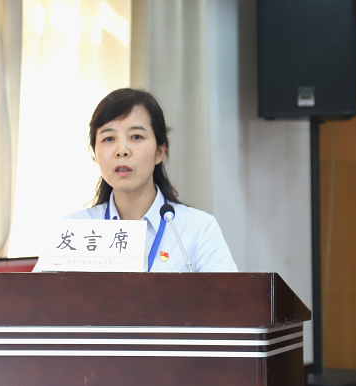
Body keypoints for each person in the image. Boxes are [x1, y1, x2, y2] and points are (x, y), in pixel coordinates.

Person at [67, 88, 237, 273]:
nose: (122, 150)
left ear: (160, 151)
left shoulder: (198, 228)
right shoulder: (74, 229)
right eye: (108, 138)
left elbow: (227, 292)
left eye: (136, 137)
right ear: (95, 153)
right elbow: (48, 291)